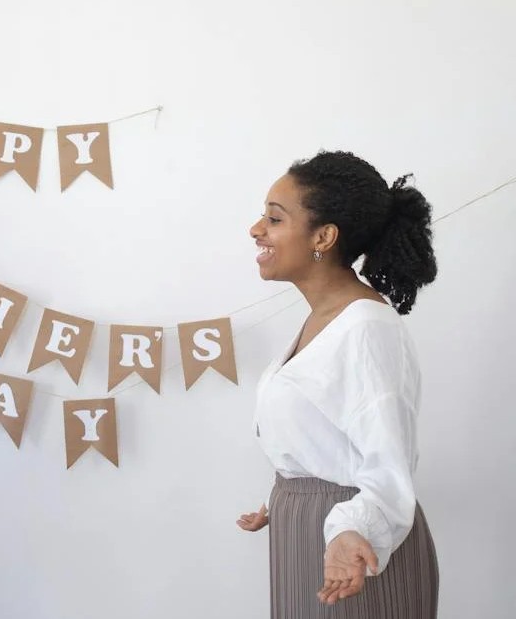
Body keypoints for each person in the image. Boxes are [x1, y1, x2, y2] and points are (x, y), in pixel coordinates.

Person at [237, 151, 439, 617]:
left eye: (274, 218)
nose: (256, 229)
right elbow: (327, 438)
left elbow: (389, 464)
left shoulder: (366, 328)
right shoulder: (325, 319)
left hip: (354, 548)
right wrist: (285, 498)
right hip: (307, 534)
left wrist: (353, 529)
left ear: (323, 237)